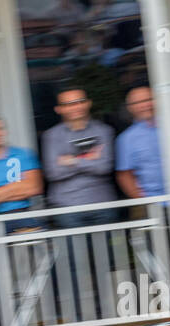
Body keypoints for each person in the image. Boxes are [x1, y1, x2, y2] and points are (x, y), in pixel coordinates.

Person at [41, 86, 116, 226]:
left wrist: (72, 160)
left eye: (80, 101)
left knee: (108, 247)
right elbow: (53, 173)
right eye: (68, 104)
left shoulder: (104, 131)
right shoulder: (51, 136)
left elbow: (104, 167)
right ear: (59, 109)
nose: (76, 107)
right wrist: (89, 158)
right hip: (67, 207)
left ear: (88, 103)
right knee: (74, 248)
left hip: (102, 203)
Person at [115, 85, 165, 203]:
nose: (145, 105)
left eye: (148, 100)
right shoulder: (126, 138)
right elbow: (124, 175)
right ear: (130, 108)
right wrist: (144, 202)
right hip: (153, 203)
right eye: (138, 103)